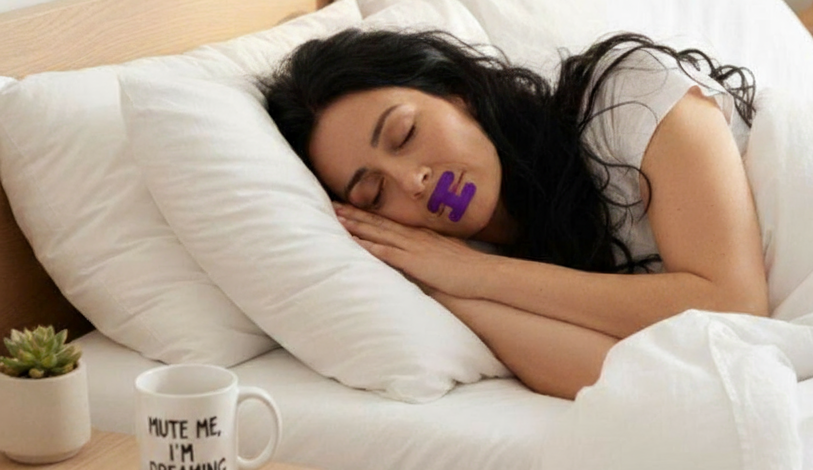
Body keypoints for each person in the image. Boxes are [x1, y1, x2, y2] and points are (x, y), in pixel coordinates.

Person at [259, 29, 768, 399]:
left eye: (405, 135)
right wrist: (444, 289)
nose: (412, 182)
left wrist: (479, 274)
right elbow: (630, 381)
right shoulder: (463, 260)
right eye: (374, 194)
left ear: (460, 97)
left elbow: (733, 308)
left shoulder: (628, 95)